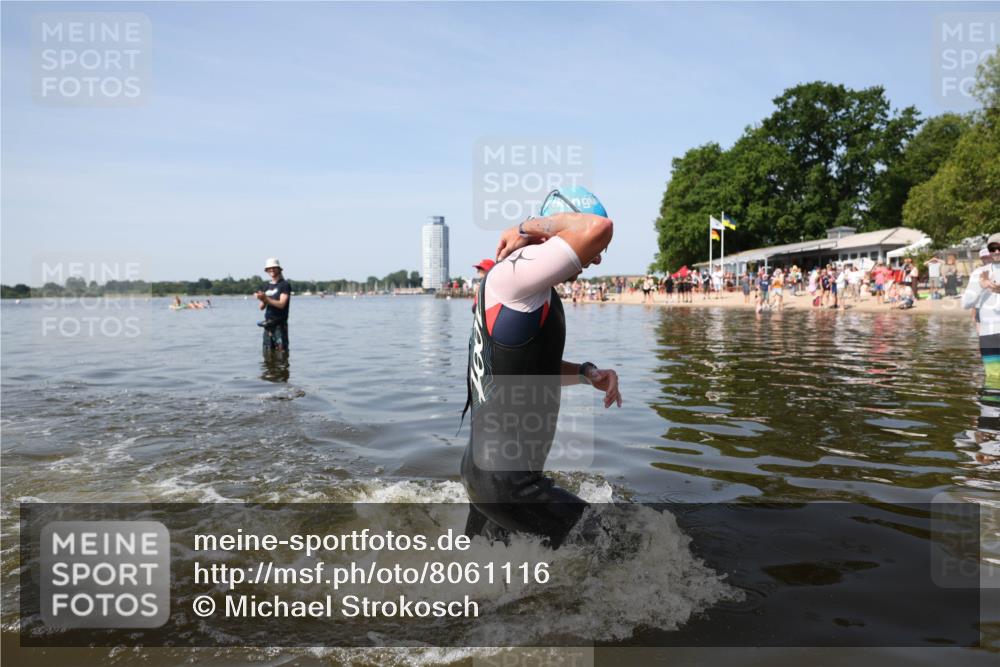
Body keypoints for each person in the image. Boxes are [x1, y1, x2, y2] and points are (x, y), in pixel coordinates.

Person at [461, 187, 622, 549]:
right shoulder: (513, 277)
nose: (596, 260)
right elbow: (600, 227)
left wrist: (584, 373)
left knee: (477, 592)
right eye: (598, 252)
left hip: (490, 476)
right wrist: (527, 227)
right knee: (618, 544)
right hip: (507, 482)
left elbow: (527, 369)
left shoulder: (530, 289)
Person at [963, 234, 1000, 394]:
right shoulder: (979, 273)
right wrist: (981, 286)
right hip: (989, 333)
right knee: (993, 378)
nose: (997, 252)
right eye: (993, 248)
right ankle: (991, 414)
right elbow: (965, 304)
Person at [256, 257, 291, 352]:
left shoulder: (284, 285)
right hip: (268, 325)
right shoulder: (266, 286)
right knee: (267, 353)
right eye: (269, 268)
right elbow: (261, 307)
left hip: (280, 325)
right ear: (266, 270)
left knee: (282, 354)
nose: (271, 269)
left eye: (274, 267)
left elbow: (282, 304)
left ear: (279, 269)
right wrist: (262, 299)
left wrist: (266, 298)